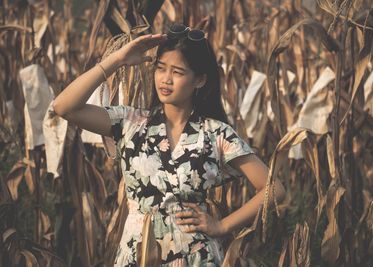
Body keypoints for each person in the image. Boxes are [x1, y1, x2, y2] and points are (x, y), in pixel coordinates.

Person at [53, 24, 285, 267]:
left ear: (200, 80)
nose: (166, 79)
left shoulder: (216, 134)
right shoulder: (130, 123)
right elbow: (64, 107)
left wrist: (222, 225)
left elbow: (274, 188)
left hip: (196, 257)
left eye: (178, 72)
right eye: (161, 68)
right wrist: (118, 59)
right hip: (137, 255)